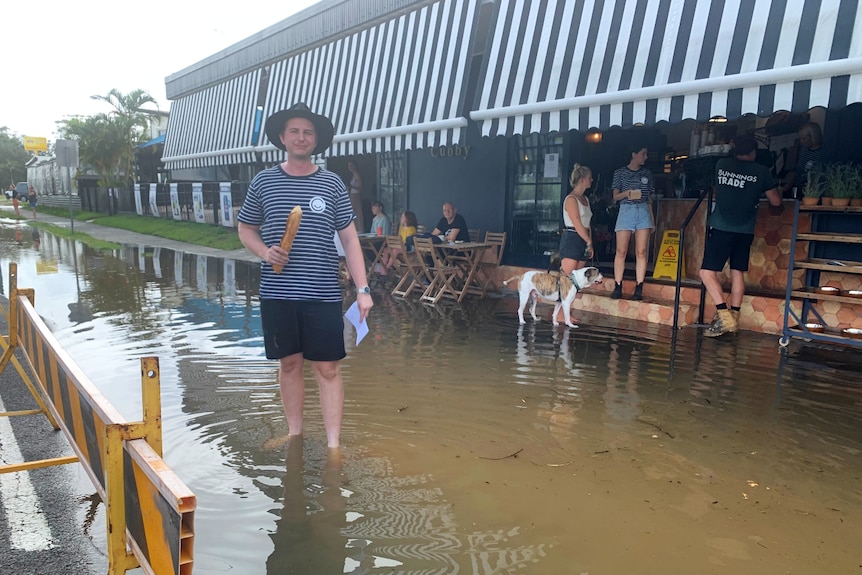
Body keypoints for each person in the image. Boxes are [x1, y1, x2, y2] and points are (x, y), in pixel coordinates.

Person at [237, 102, 373, 449]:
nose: (301, 137)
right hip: (278, 292)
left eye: (308, 132)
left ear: (317, 140)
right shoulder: (264, 181)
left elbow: (349, 239)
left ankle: (333, 445)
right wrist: (264, 252)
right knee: (289, 364)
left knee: (327, 368)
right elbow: (246, 228)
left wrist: (363, 289)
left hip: (322, 293)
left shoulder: (331, 184)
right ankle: (295, 434)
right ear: (282, 137)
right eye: (294, 131)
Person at [699, 134, 783, 337]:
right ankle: (734, 317)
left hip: (721, 226)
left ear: (735, 151)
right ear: (753, 153)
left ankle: (724, 316)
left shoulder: (721, 163)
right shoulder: (762, 172)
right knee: (738, 272)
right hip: (745, 230)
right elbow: (776, 201)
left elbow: (718, 189)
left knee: (706, 273)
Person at [611, 143, 655, 300]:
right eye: (643, 153)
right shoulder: (620, 173)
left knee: (641, 251)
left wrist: (652, 220)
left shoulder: (647, 173)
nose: (646, 157)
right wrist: (626, 193)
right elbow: (615, 196)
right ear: (634, 154)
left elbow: (649, 198)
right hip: (626, 210)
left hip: (643, 210)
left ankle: (639, 287)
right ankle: (618, 285)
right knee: (621, 251)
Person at [559, 164, 593, 275]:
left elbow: (588, 223)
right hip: (572, 237)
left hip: (584, 237)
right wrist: (588, 241)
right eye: (589, 178)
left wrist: (589, 242)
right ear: (582, 179)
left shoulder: (586, 199)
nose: (591, 180)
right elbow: (577, 223)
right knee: (568, 279)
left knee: (578, 279)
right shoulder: (571, 199)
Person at [779, 121, 824, 198]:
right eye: (800, 138)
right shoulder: (803, 150)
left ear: (813, 136)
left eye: (804, 138)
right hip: (800, 188)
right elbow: (798, 171)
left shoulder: (823, 152)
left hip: (816, 191)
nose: (801, 141)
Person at [347, 160, 364, 232]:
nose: (349, 167)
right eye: (349, 166)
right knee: (353, 212)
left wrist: (351, 186)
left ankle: (359, 229)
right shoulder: (353, 175)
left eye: (351, 166)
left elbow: (361, 187)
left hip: (355, 195)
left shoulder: (356, 174)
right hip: (352, 195)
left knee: (357, 212)